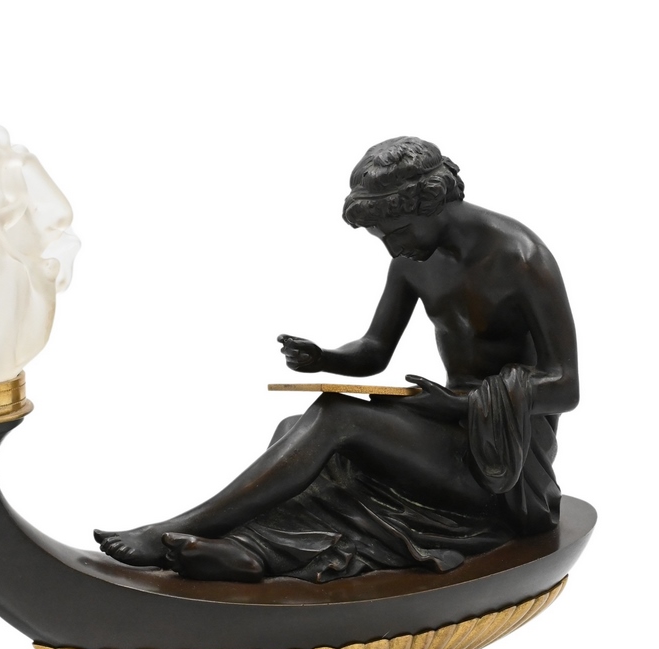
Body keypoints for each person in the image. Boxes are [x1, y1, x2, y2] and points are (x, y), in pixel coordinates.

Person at [95, 137, 578, 582]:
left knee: (336, 418)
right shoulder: (413, 259)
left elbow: (565, 386)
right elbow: (374, 350)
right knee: (294, 431)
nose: (393, 247)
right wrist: (324, 358)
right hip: (447, 426)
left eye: (398, 231)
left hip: (502, 458)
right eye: (381, 237)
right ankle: (250, 550)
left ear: (432, 201)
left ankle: (180, 528)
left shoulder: (520, 258)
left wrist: (465, 405)